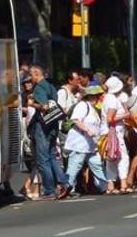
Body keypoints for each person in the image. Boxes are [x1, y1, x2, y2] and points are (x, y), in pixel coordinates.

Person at [26, 65, 66, 199]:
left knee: (43, 159)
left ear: (36, 74)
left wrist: (32, 104)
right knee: (52, 156)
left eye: (31, 75)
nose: (30, 79)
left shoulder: (39, 88)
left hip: (43, 126)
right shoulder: (51, 86)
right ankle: (64, 183)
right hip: (53, 124)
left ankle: (49, 190)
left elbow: (44, 106)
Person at [62, 86, 108, 198]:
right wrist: (87, 129)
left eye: (97, 96)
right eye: (94, 96)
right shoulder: (82, 105)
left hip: (90, 145)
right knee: (75, 165)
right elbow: (76, 120)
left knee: (97, 164)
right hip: (80, 143)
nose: (96, 98)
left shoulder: (94, 109)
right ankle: (68, 188)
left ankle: (105, 186)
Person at [102, 76, 131, 194]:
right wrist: (125, 115)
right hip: (114, 133)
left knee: (110, 159)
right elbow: (110, 118)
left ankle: (111, 185)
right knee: (123, 157)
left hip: (108, 132)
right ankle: (123, 183)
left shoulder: (106, 98)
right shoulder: (113, 100)